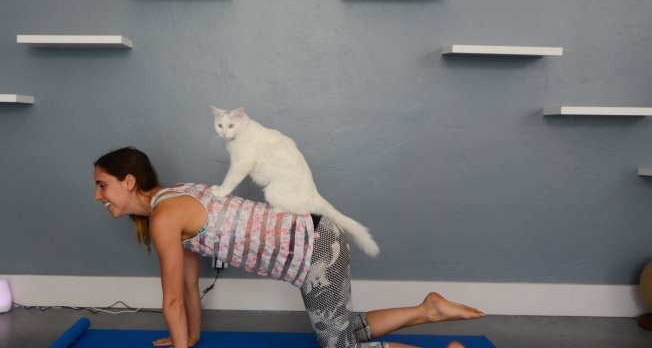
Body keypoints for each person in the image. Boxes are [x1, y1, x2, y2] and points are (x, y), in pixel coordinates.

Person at [93, 147, 485, 348]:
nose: (98, 195)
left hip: (313, 250)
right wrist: (190, 339)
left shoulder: (164, 216)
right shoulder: (176, 197)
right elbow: (188, 288)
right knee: (342, 331)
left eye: (102, 185)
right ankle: (427, 309)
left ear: (128, 181)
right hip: (316, 237)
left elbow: (173, 301)